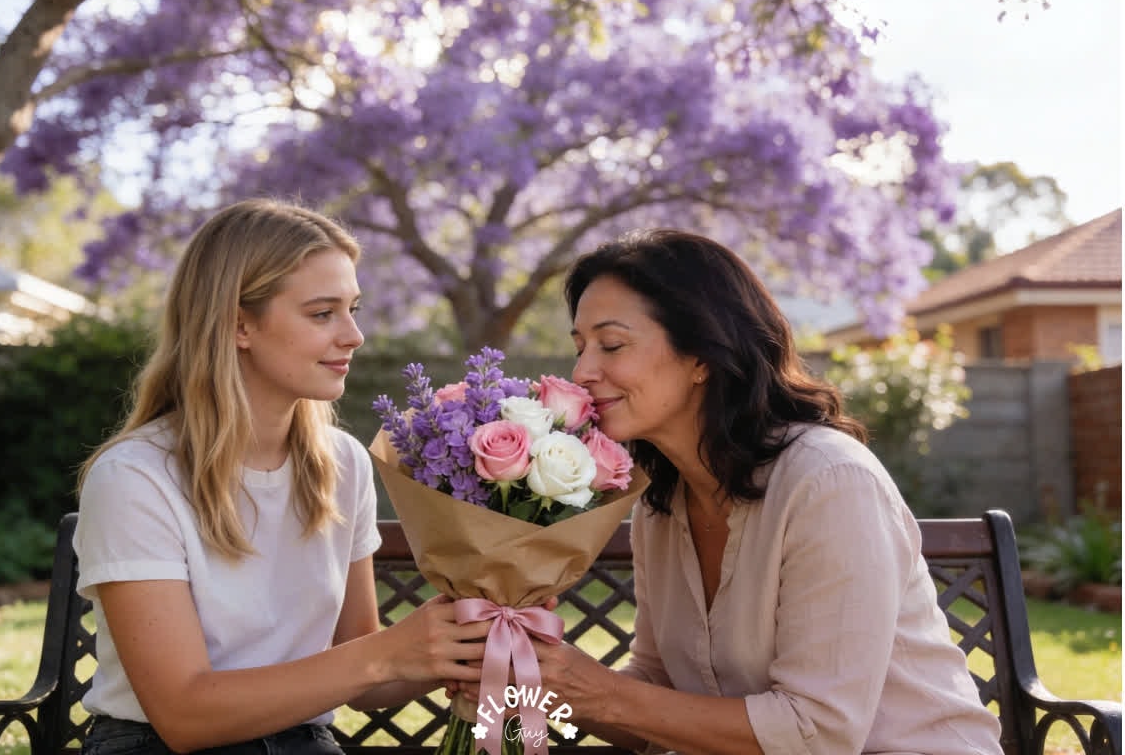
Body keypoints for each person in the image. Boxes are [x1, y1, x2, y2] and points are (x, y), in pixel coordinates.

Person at [527, 229, 1004, 754]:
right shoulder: (662, 504)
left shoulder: (830, 483)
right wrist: (535, 677)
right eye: (580, 348)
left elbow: (818, 732)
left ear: (702, 355)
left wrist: (600, 694)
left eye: (611, 345)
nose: (582, 372)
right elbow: (656, 687)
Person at [73, 199, 490, 755]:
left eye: (353, 308)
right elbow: (184, 714)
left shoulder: (343, 463)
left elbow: (367, 672)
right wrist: (387, 653)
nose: (354, 336)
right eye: (323, 314)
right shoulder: (135, 478)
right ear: (239, 324)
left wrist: (462, 637)